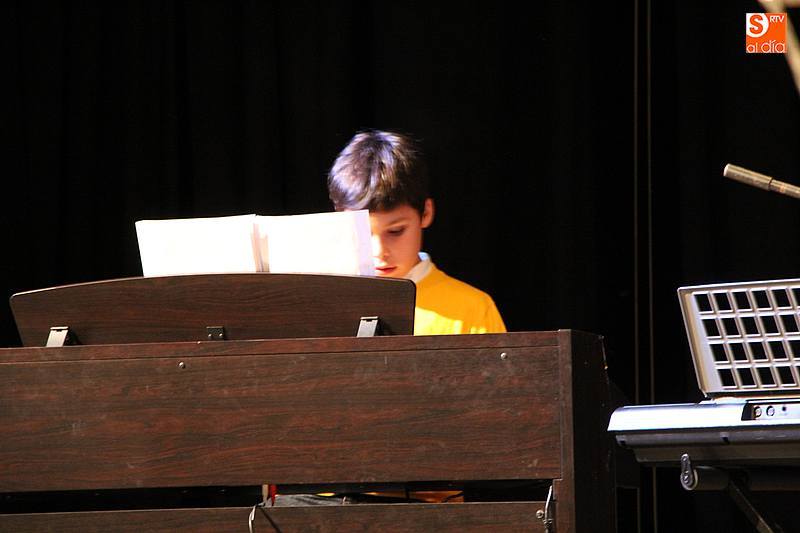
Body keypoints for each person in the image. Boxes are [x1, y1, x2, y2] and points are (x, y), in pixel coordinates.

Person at [327, 129, 506, 335]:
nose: (379, 251)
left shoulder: (472, 309)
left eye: (395, 231)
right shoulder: (323, 304)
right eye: (362, 233)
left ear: (426, 213)